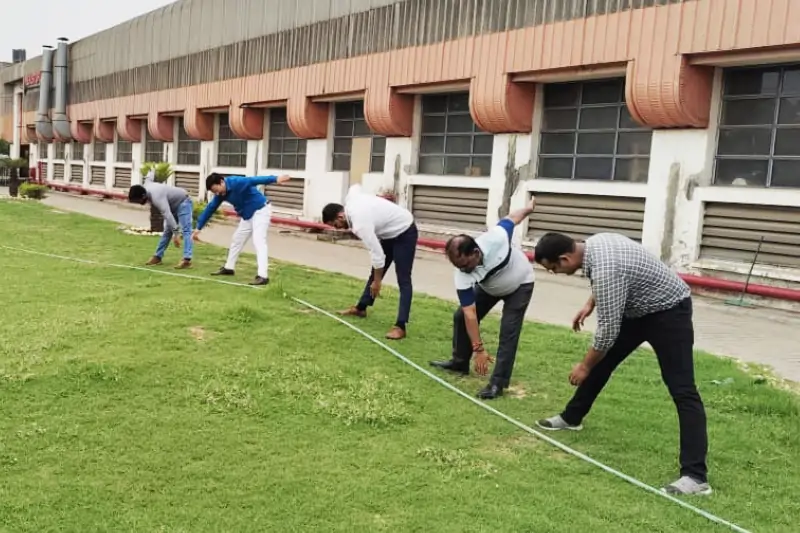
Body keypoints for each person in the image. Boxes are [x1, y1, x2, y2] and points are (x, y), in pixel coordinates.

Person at [532, 231, 711, 496]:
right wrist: (591, 302)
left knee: (682, 390)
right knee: (601, 364)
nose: (556, 273)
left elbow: (607, 332)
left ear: (565, 257)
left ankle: (696, 477)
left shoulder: (605, 269)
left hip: (669, 312)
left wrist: (582, 366)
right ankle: (572, 418)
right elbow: (619, 279)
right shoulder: (594, 245)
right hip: (638, 310)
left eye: (555, 268)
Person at [429, 198, 536, 400]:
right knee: (461, 316)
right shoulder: (462, 273)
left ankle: (497, 383)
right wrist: (479, 349)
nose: (464, 270)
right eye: (459, 267)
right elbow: (471, 314)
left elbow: (513, 218)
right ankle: (459, 362)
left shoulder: (496, 238)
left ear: (476, 252)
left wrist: (528, 209)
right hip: (490, 287)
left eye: (466, 265)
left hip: (520, 284)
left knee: (508, 332)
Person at [321, 184, 418, 340]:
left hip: (405, 230)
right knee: (374, 272)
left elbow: (377, 254)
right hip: (389, 233)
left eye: (335, 225)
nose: (338, 229)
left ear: (340, 216)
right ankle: (361, 308)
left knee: (403, 279)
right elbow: (355, 186)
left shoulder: (360, 224)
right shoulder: (351, 200)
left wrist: (378, 281)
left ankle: (400, 326)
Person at [193, 172, 292, 286]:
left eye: (217, 190)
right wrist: (198, 227)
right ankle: (229, 268)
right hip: (247, 215)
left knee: (259, 241)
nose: (217, 193)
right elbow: (210, 208)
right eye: (214, 192)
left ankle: (263, 276)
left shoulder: (237, 182)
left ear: (221, 182)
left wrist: (276, 178)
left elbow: (255, 180)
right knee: (237, 239)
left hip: (260, 210)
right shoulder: (221, 194)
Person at [128, 170, 194, 269]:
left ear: (143, 196)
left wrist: (176, 234)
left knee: (186, 230)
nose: (139, 203)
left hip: (183, 202)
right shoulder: (146, 185)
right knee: (167, 231)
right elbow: (150, 176)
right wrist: (152, 169)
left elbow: (167, 215)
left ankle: (187, 259)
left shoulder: (157, 197)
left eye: (138, 201)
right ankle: (158, 256)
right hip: (172, 205)